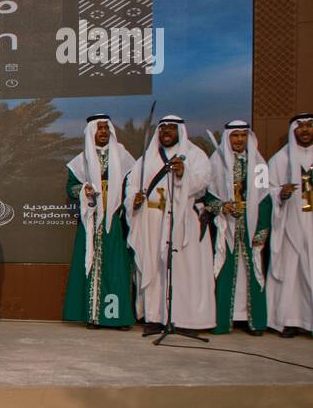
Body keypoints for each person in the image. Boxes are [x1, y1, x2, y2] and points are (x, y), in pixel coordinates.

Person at [124, 115, 215, 331]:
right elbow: (132, 184)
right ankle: (155, 318)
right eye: (163, 128)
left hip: (182, 222)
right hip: (152, 222)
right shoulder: (147, 158)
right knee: (154, 269)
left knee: (184, 270)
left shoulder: (195, 155)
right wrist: (133, 199)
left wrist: (184, 172)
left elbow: (203, 182)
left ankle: (184, 320)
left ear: (180, 131)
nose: (166, 132)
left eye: (171, 129)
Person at [61, 114, 136, 329]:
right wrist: (84, 190)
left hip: (114, 219)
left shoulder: (123, 156)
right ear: (91, 132)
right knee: (90, 264)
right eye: (99, 128)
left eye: (106, 128)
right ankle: (93, 315)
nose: (103, 132)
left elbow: (132, 184)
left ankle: (117, 317)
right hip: (91, 221)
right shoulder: (81, 160)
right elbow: (71, 187)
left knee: (116, 268)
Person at [208, 121, 270, 335]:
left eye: (243, 135)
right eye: (235, 136)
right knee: (225, 270)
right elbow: (208, 195)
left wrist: (262, 229)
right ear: (228, 138)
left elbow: (265, 198)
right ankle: (225, 320)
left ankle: (253, 321)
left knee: (252, 269)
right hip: (227, 226)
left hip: (250, 224)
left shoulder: (260, 165)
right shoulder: (217, 162)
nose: (239, 140)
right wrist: (221, 206)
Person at [266, 113, 313, 338]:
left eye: (309, 126)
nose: (305, 130)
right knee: (290, 273)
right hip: (290, 223)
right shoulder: (280, 160)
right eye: (300, 126)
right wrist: (280, 194)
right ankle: (288, 320)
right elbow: (267, 190)